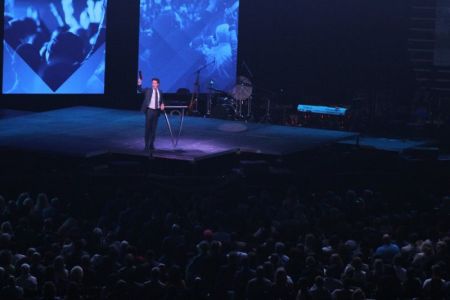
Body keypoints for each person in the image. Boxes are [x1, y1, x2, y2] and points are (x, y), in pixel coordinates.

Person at [138, 76, 165, 151]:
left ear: (158, 84)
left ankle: (151, 145)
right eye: (152, 83)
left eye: (155, 83)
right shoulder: (148, 90)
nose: (153, 84)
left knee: (154, 129)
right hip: (149, 111)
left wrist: (162, 104)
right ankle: (146, 145)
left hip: (156, 111)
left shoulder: (160, 92)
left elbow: (161, 100)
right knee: (148, 129)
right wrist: (139, 83)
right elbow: (140, 90)